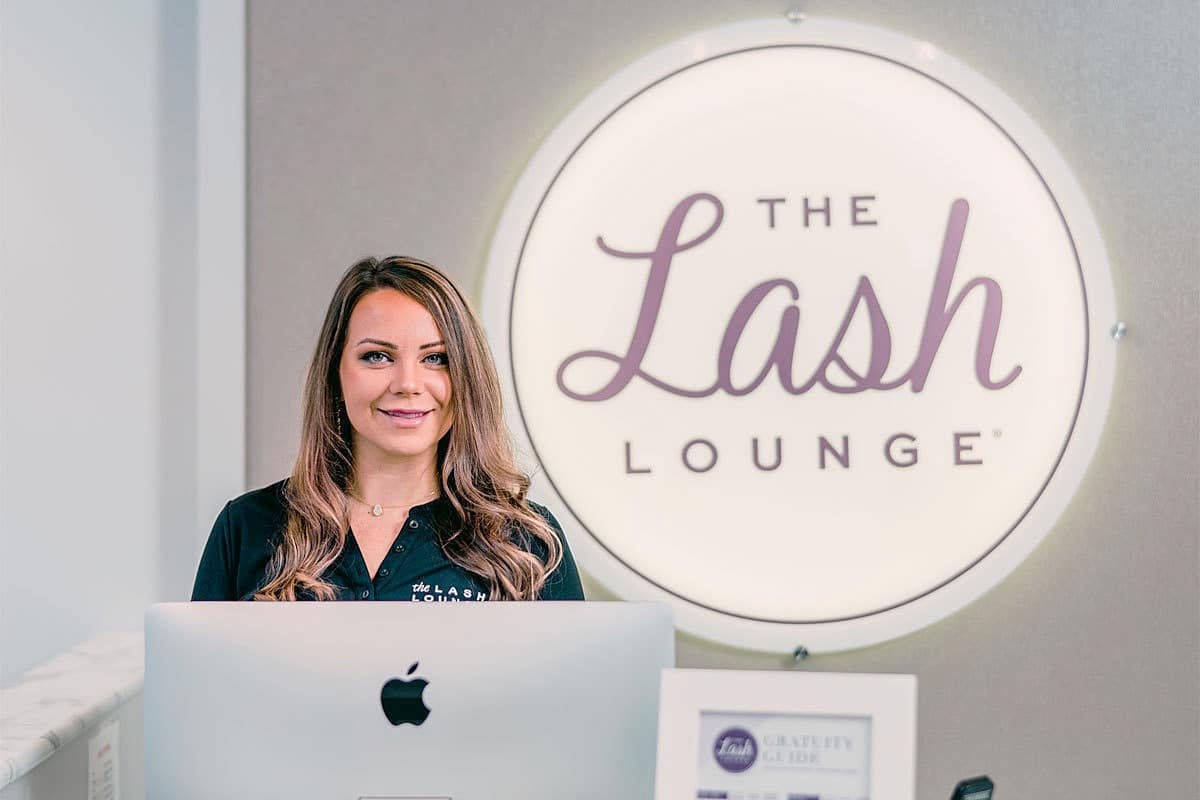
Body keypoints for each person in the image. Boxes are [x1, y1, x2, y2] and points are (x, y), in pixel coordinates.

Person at [192, 255, 584, 602]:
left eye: (436, 358)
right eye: (377, 356)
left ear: (467, 377)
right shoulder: (247, 527)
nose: (408, 383)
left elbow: (574, 686)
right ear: (335, 376)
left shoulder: (527, 543)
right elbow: (200, 682)